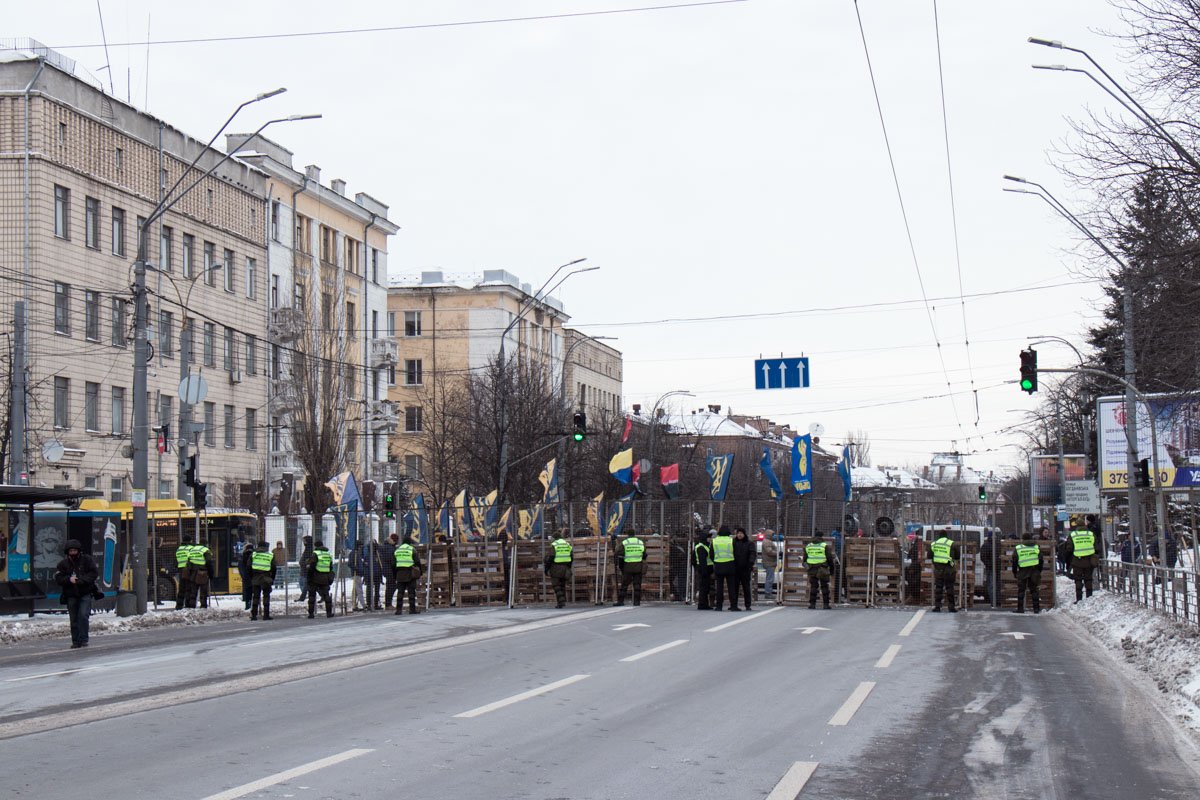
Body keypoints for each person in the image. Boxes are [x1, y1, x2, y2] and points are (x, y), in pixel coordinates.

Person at [55, 539, 99, 649]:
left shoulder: (87, 560)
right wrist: (69, 580)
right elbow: (58, 578)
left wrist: (81, 580)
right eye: (71, 551)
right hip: (71, 594)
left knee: (83, 615)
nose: (73, 553)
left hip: (85, 592)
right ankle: (75, 641)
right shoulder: (63, 564)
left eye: (75, 550)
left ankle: (84, 639)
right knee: (73, 618)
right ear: (67, 552)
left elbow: (93, 573)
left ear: (79, 551)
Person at [1067, 514, 1100, 603]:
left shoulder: (1073, 534)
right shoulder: (1090, 534)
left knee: (1078, 580)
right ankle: (1089, 598)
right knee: (1088, 579)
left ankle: (1079, 599)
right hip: (1089, 561)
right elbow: (1096, 547)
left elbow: (1069, 549)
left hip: (1077, 561)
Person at [928, 528, 961, 613]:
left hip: (938, 569)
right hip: (949, 569)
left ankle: (937, 607)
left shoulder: (934, 544)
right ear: (946, 536)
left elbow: (929, 556)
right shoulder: (952, 544)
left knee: (939, 588)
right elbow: (958, 556)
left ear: (939, 536)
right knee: (950, 588)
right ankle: (951, 607)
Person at [1011, 531, 1043, 614]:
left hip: (1022, 571)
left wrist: (1015, 572)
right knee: (1034, 590)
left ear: (1023, 539)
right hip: (1034, 570)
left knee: (1021, 590)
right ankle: (1036, 609)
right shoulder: (1036, 547)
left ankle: (1020, 608)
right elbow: (1041, 560)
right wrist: (1039, 570)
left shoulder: (1018, 548)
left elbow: (1014, 561)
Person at [804, 530, 836, 609]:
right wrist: (832, 569)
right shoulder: (824, 545)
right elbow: (829, 558)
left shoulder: (808, 546)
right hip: (822, 568)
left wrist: (807, 567)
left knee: (813, 587)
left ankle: (812, 604)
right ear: (822, 537)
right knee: (824, 586)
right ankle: (825, 604)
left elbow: (805, 559)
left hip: (812, 568)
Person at [303, 538, 335, 618]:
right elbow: (330, 567)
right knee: (326, 595)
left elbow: (312, 565)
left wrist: (309, 576)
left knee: (312, 595)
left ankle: (311, 614)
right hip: (325, 577)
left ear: (315, 546)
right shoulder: (328, 554)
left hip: (315, 577)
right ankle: (329, 613)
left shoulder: (315, 553)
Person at [393, 533, 424, 615]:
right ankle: (412, 609)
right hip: (410, 573)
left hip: (400, 573)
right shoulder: (411, 549)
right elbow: (417, 562)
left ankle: (398, 610)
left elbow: (393, 563)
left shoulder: (398, 550)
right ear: (410, 542)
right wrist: (420, 572)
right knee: (411, 592)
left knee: (400, 592)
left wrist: (394, 574)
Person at [614, 530, 646, 606]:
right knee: (637, 585)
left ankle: (620, 601)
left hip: (628, 566)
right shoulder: (640, 542)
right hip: (638, 566)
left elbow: (618, 552)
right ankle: (637, 602)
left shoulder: (625, 542)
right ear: (634, 534)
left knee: (624, 585)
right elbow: (644, 554)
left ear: (628, 534)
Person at [711, 526, 738, 611]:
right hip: (730, 565)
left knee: (719, 587)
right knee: (731, 587)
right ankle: (733, 606)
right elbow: (736, 552)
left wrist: (716, 561)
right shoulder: (731, 540)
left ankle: (719, 606)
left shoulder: (714, 541)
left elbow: (711, 554)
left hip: (719, 565)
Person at [544, 532, 573, 608]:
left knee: (556, 585)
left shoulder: (555, 545)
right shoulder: (567, 544)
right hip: (565, 567)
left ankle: (561, 602)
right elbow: (571, 556)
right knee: (562, 585)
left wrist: (546, 568)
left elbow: (551, 557)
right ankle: (562, 602)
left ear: (554, 538)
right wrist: (569, 567)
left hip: (555, 567)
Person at [249, 539, 276, 620]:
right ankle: (266, 615)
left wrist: (252, 576)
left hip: (256, 577)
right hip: (266, 577)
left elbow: (248, 566)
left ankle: (254, 615)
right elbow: (274, 568)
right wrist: (272, 578)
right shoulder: (270, 555)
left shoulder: (253, 555)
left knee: (256, 597)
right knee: (266, 596)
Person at [732, 527, 756, 611]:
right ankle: (734, 605)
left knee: (746, 587)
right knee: (734, 588)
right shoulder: (733, 542)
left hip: (745, 569)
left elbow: (752, 554)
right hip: (735, 568)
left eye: (741, 533)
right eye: (738, 533)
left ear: (744, 534)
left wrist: (750, 564)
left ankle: (748, 605)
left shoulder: (749, 543)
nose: (739, 535)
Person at [187, 536, 214, 609]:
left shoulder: (192, 549)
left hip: (193, 573)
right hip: (202, 573)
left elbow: (188, 561)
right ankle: (203, 606)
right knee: (203, 591)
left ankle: (192, 607)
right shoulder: (205, 550)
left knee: (193, 592)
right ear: (205, 544)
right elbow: (209, 562)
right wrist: (211, 574)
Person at [360, 539, 385, 611]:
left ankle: (371, 604)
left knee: (371, 589)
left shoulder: (370, 556)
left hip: (372, 574)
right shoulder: (376, 556)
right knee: (374, 589)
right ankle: (373, 604)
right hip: (375, 574)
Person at [693, 528, 714, 610]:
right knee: (703, 588)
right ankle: (702, 604)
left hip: (705, 570)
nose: (710, 539)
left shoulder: (704, 546)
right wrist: (704, 572)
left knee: (705, 588)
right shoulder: (701, 547)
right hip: (704, 570)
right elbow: (702, 560)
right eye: (708, 537)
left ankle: (704, 604)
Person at [174, 534, 194, 610]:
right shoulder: (191, 548)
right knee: (189, 588)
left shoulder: (179, 549)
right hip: (189, 570)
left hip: (181, 570)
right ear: (189, 541)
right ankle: (188, 605)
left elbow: (176, 561)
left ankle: (179, 605)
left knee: (181, 588)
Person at [381, 533, 399, 608]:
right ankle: (388, 604)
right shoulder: (389, 548)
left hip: (388, 569)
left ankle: (388, 603)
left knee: (390, 586)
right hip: (389, 570)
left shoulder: (388, 546)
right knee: (391, 586)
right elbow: (391, 559)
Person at [980, 529, 997, 607]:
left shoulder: (986, 545)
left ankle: (993, 601)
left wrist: (988, 564)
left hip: (991, 568)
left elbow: (983, 557)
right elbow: (983, 557)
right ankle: (994, 601)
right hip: (993, 568)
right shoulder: (995, 544)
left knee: (991, 585)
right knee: (993, 584)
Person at [761, 529, 778, 600]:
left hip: (770, 562)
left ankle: (768, 592)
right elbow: (769, 552)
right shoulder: (767, 542)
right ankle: (768, 593)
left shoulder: (768, 541)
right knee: (769, 579)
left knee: (770, 578)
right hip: (769, 562)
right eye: (772, 535)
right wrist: (778, 553)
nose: (773, 536)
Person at [238, 538, 255, 610]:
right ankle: (254, 606)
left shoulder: (242, 556)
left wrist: (243, 576)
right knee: (255, 591)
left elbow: (240, 567)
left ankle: (247, 605)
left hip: (246, 576)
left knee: (247, 591)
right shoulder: (254, 555)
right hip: (254, 576)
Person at [297, 535, 314, 604]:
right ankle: (303, 597)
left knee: (304, 583)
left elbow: (309, 559)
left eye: (304, 541)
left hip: (307, 570)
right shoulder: (307, 548)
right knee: (304, 584)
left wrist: (305, 563)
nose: (303, 542)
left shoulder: (310, 549)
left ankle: (303, 597)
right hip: (304, 570)